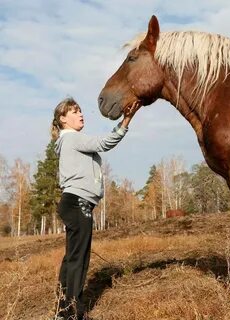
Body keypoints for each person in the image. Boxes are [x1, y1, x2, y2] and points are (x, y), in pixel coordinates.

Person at [51, 97, 140, 320]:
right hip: (78, 201)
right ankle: (74, 313)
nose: (81, 114)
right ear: (63, 119)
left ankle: (62, 312)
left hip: (73, 202)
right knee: (79, 259)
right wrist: (126, 120)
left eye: (80, 110)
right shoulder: (72, 138)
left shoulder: (67, 141)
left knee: (72, 258)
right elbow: (104, 143)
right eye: (74, 111)